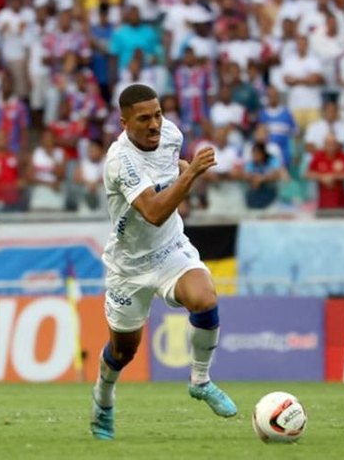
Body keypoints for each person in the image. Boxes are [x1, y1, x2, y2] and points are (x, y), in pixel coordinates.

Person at [90, 84, 237, 440]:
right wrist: (191, 174)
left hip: (171, 248)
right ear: (124, 122)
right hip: (129, 266)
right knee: (124, 352)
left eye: (157, 114)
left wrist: (184, 168)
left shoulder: (171, 133)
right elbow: (154, 212)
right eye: (144, 119)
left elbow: (173, 167)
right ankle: (103, 401)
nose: (155, 124)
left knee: (205, 298)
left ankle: (200, 380)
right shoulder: (119, 161)